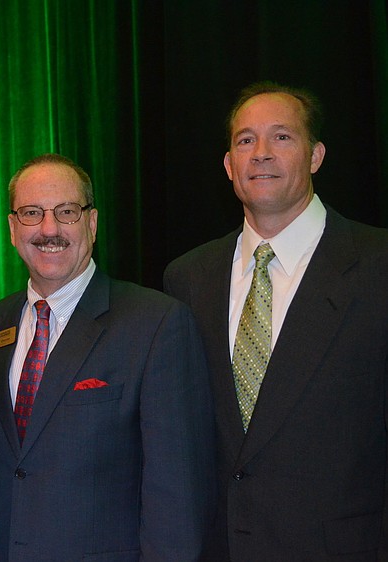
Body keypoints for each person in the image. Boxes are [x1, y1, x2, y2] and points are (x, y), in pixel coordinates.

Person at [164, 82, 388, 560]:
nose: (260, 153)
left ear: (316, 155)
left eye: (282, 137)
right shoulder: (187, 278)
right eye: (245, 140)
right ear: (228, 165)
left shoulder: (378, 265)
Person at [0, 153, 215, 561]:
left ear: (92, 223)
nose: (49, 229)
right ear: (12, 229)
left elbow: (178, 495)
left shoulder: (155, 324)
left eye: (66, 212)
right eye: (32, 213)